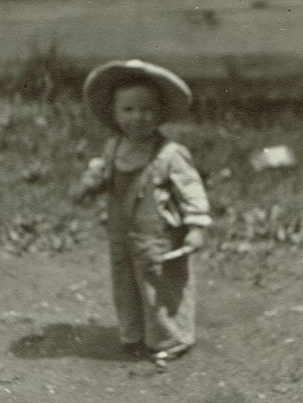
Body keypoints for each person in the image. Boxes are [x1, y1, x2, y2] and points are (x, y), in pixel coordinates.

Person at [71, 59, 211, 365]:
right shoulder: (113, 149)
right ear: (115, 113)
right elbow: (104, 179)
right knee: (125, 281)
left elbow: (191, 190)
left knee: (160, 284)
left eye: (147, 110)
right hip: (121, 232)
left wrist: (197, 226)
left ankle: (170, 338)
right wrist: (91, 183)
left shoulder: (170, 154)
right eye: (128, 110)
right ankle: (133, 335)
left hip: (157, 234)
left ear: (160, 113)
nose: (137, 118)